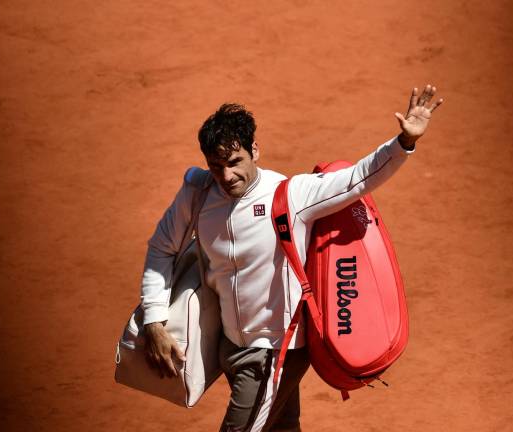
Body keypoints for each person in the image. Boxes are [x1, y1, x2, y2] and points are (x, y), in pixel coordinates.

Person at [139, 85, 443, 431]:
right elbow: (162, 247)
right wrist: (153, 319)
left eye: (235, 162)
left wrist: (403, 143)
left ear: (254, 150)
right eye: (216, 166)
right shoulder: (197, 194)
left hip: (273, 354)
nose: (226, 177)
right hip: (228, 347)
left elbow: (358, 178)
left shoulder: (291, 195)